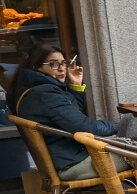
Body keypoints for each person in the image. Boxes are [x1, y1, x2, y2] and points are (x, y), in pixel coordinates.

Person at [12, 43, 121, 181]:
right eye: (53, 64)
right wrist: (113, 126)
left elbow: (71, 114)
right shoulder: (45, 93)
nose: (62, 68)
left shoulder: (33, 89)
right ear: (36, 66)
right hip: (72, 162)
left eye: (63, 63)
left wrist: (76, 85)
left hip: (65, 158)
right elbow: (85, 126)